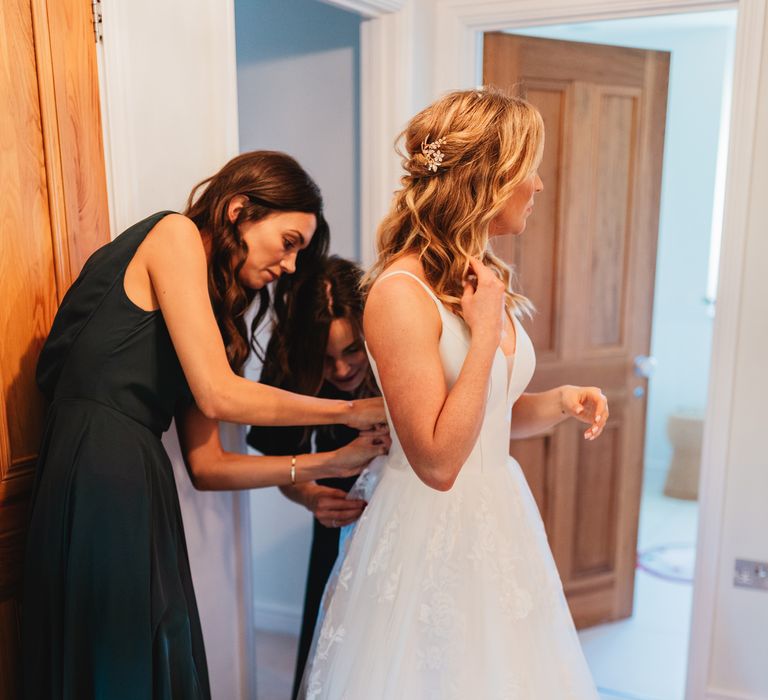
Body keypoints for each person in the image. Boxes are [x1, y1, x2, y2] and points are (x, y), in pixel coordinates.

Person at [22, 151, 385, 700]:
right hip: (96, 463)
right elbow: (218, 394)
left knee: (148, 650)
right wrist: (346, 410)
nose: (289, 266)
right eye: (289, 242)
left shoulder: (212, 312)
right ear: (239, 208)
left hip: (139, 477)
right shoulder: (173, 236)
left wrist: (328, 464)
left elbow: (208, 466)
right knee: (116, 653)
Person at [300, 89, 609, 699]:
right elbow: (440, 460)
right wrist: (488, 332)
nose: (539, 185)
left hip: (498, 516)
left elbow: (486, 418)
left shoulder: (477, 273)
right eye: (528, 169)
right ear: (487, 179)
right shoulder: (399, 294)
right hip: (428, 532)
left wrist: (560, 400)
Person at [247, 255, 379, 699]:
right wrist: (310, 497)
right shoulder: (288, 362)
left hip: (407, 511)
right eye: (325, 359)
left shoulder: (401, 342)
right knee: (329, 652)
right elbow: (281, 462)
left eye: (353, 350)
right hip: (335, 516)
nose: (341, 370)